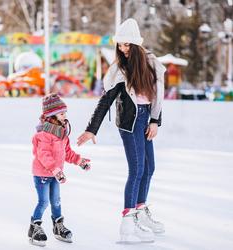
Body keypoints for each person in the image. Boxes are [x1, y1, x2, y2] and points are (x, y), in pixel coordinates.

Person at [77, 18, 166, 243]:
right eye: (120, 45)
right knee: (136, 169)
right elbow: (106, 100)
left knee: (149, 168)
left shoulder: (151, 64)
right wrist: (91, 129)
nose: (123, 49)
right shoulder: (119, 70)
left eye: (127, 45)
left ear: (136, 45)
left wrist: (155, 121)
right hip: (129, 123)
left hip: (146, 119)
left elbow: (158, 97)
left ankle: (140, 210)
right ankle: (127, 224)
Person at [28, 93, 91, 247]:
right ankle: (34, 228)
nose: (65, 116)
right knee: (43, 202)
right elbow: (43, 155)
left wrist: (79, 161)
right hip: (42, 174)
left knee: (56, 201)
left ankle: (58, 227)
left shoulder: (62, 134)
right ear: (52, 115)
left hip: (56, 174)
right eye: (62, 113)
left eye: (65, 113)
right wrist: (55, 170)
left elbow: (67, 153)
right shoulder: (44, 134)